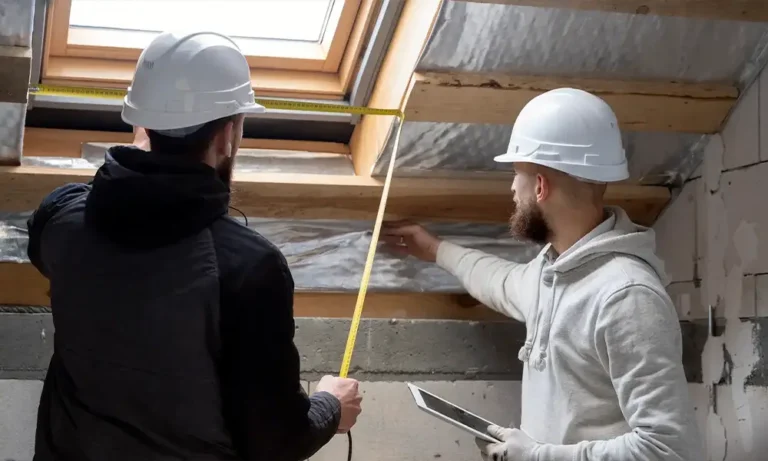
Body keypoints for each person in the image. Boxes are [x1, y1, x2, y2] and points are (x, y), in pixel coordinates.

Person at [28, 31, 362, 461]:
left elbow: (69, 241)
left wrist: (137, 173)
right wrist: (333, 406)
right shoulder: (249, 268)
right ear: (227, 137)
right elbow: (277, 440)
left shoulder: (60, 219)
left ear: (139, 124)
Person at [382, 88, 704, 461]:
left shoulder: (626, 296)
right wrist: (435, 250)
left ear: (540, 186)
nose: (512, 189)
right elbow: (501, 282)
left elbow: (670, 449)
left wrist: (538, 456)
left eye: (516, 175)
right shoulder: (554, 269)